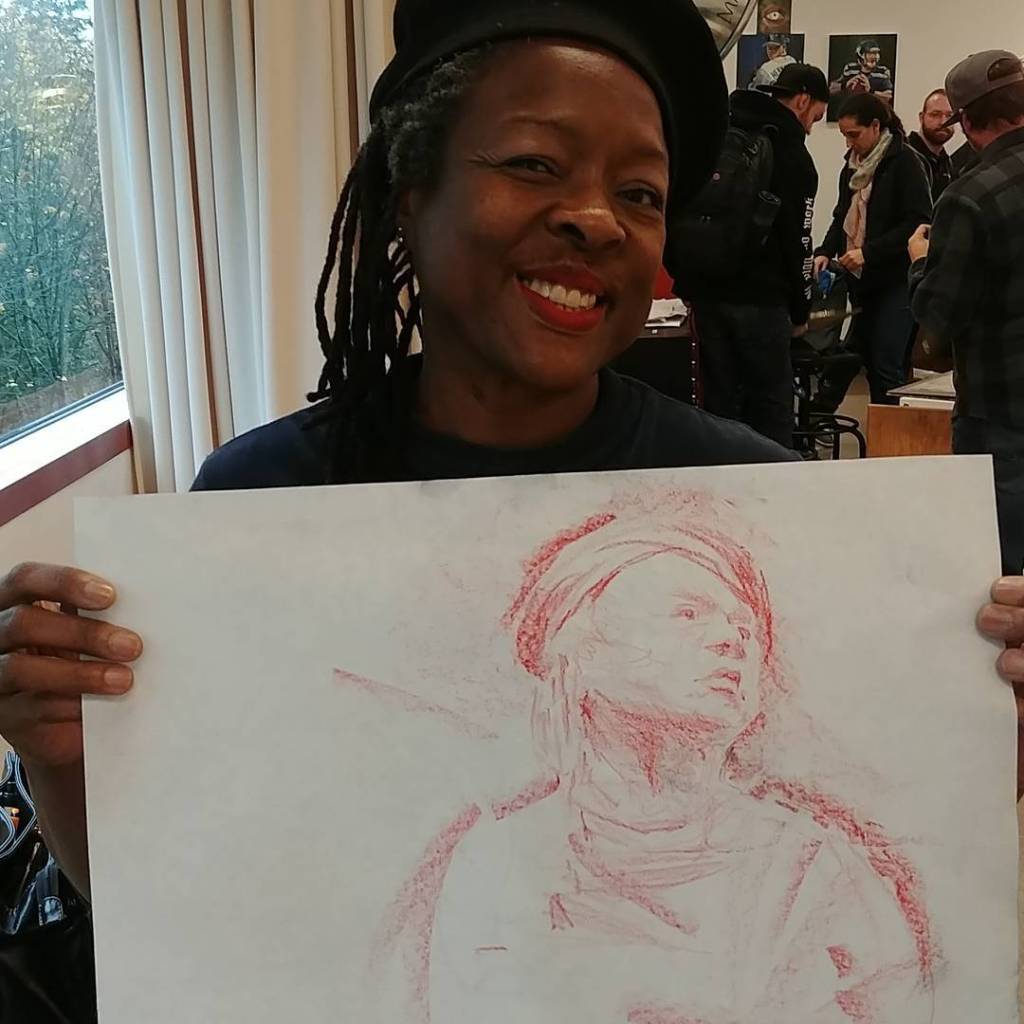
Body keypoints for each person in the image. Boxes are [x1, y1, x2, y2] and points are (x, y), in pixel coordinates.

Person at [0, 0, 1020, 1004]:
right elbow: (190, 921)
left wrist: (985, 727)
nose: (596, 217)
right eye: (534, 163)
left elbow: (932, 946)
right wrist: (61, 759)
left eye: (641, 191)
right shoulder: (256, 506)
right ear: (410, 194)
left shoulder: (759, 502)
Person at [376, 495, 939, 1021]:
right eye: (688, 614)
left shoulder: (810, 866)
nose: (733, 640)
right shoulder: (500, 857)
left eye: (745, 626)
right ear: (581, 653)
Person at [908, 51, 1024, 577]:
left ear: (967, 122)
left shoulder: (970, 196)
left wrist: (919, 262)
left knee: (998, 572)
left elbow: (940, 313)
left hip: (1003, 418)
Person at [683, 63, 829, 449]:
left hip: (706, 295)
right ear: (803, 100)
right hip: (763, 301)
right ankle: (770, 483)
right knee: (770, 410)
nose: (812, 127)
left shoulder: (719, 133)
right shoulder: (792, 153)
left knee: (718, 407)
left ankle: (720, 481)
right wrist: (801, 310)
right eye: (817, 116)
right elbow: (798, 241)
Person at [812, 94, 932, 408]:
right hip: (862, 281)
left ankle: (888, 435)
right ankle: (820, 415)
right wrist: (824, 250)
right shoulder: (851, 166)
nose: (849, 143)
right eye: (844, 135)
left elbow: (918, 222)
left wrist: (868, 252)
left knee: (886, 364)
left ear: (876, 126)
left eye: (854, 134)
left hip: (895, 280)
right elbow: (841, 215)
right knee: (852, 355)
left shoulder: (906, 162)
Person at [908, 89, 958, 200]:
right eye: (935, 115)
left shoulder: (947, 163)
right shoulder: (903, 155)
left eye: (950, 116)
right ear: (921, 118)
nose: (943, 122)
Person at [830, 40, 894, 104]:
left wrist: (870, 91)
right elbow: (831, 89)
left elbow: (888, 96)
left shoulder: (882, 71)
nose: (874, 57)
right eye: (870, 53)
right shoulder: (851, 68)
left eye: (875, 53)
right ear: (861, 55)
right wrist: (845, 85)